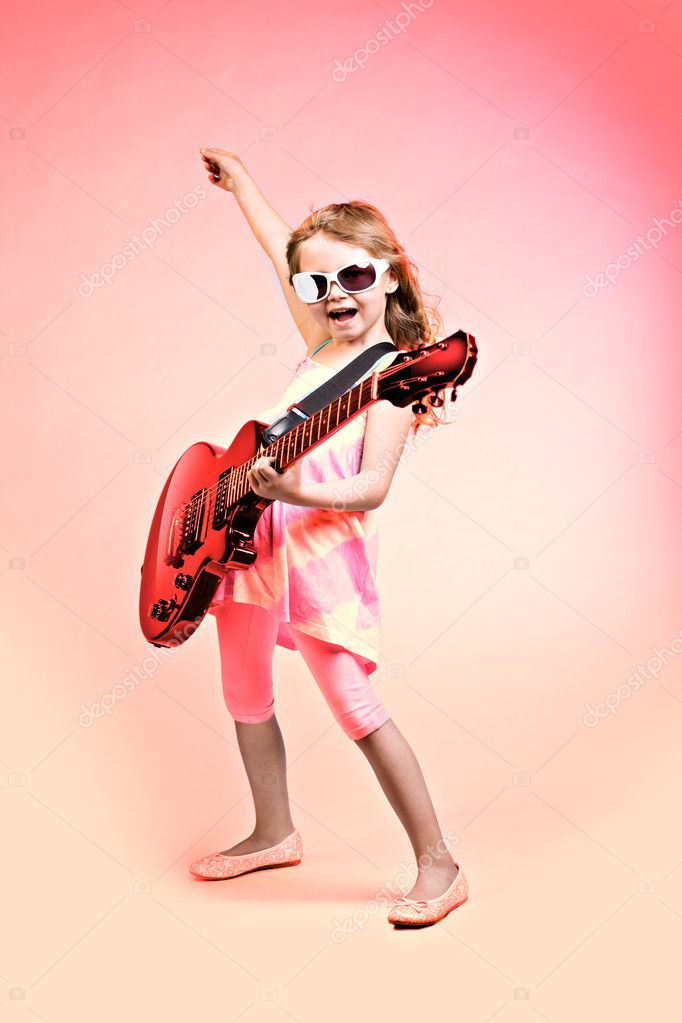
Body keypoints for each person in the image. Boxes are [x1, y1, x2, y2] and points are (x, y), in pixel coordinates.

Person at [189, 148, 469, 927]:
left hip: (317, 554)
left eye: (352, 277)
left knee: (352, 703)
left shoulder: (394, 375)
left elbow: (371, 486)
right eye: (317, 284)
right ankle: (275, 832)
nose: (332, 295)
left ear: (389, 274)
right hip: (250, 543)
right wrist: (243, 181)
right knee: (243, 690)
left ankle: (440, 865)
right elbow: (280, 250)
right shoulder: (319, 344)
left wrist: (296, 490)